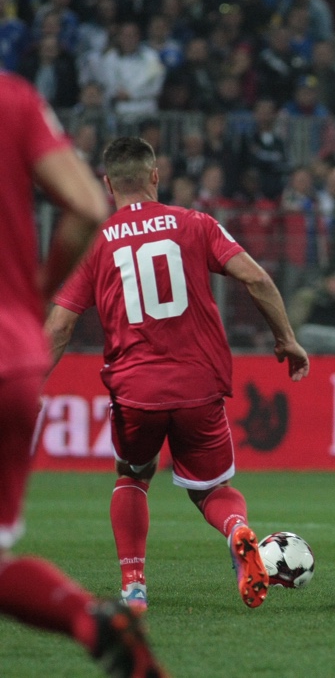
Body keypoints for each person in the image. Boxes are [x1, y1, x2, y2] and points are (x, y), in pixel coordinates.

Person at [45, 137, 310, 614]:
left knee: (132, 475)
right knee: (212, 489)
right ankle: (237, 530)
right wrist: (286, 339)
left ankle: (134, 587)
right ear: (155, 176)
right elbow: (256, 278)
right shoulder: (196, 223)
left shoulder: (97, 241)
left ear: (107, 184)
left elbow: (60, 326)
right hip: (199, 386)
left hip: (136, 390)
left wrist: (26, 383)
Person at [0, 74, 166, 677]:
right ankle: (92, 621)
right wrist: (29, 298)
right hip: (11, 350)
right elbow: (86, 207)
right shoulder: (14, 99)